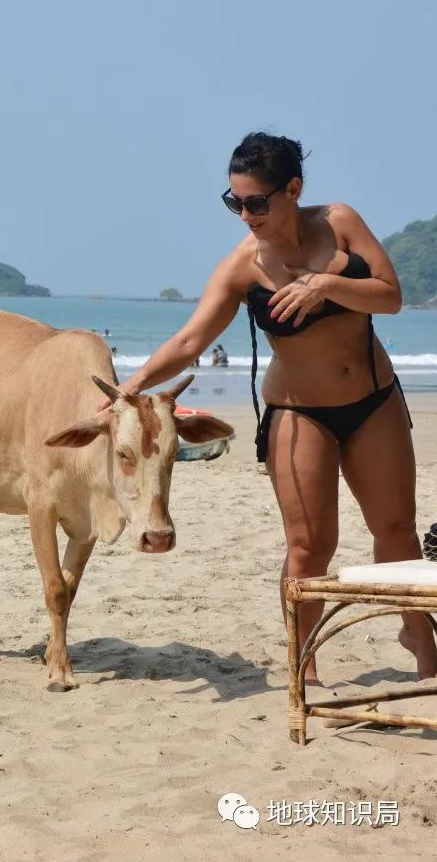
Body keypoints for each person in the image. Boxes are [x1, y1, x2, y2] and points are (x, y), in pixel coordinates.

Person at [109, 132, 436, 686]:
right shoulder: (242, 266)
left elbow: (391, 295)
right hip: (298, 412)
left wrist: (326, 285)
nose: (246, 215)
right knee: (310, 546)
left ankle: (421, 644)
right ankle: (305, 669)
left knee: (396, 530)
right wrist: (131, 385)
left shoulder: (340, 223)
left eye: (257, 202)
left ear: (293, 190)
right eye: (235, 202)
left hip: (373, 401)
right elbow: (191, 341)